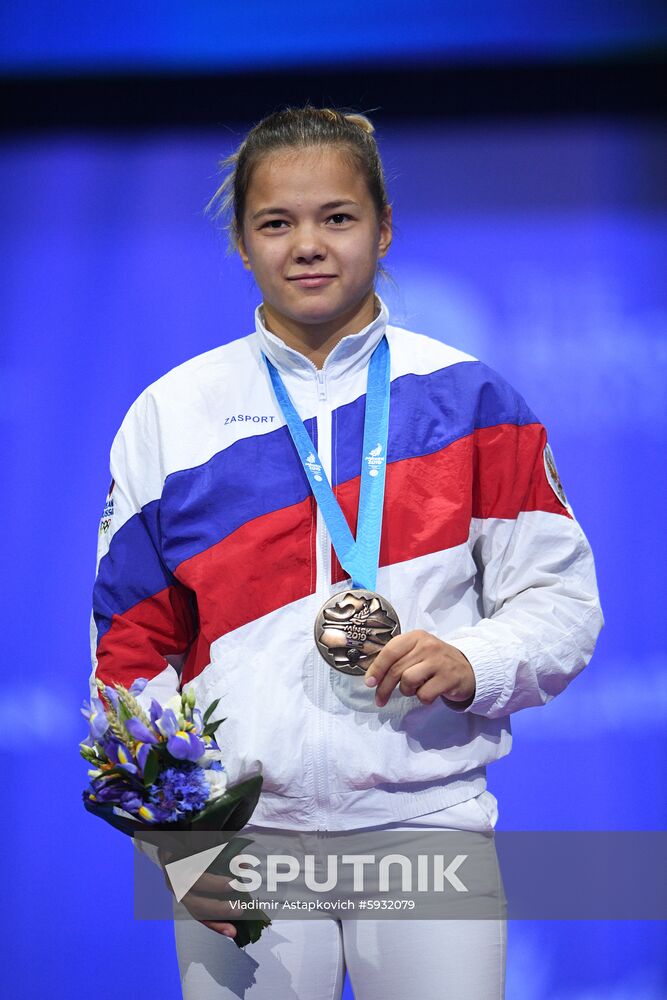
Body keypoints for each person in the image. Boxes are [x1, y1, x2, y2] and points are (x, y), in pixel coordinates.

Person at [90, 106, 603, 999]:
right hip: (241, 837)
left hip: (425, 823)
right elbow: (129, 648)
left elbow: (561, 607)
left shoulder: (473, 401)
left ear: (383, 226)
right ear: (241, 244)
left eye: (336, 217)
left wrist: (470, 659)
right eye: (275, 223)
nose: (308, 246)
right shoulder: (172, 416)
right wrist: (178, 830)